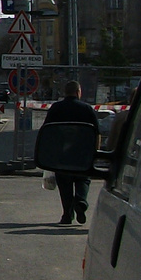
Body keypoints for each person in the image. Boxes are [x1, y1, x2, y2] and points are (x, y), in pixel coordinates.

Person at [43, 80, 100, 226]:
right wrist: (95, 152)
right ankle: (80, 201)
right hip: (82, 153)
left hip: (62, 154)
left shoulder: (56, 108)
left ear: (65, 92)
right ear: (78, 92)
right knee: (83, 179)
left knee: (64, 183)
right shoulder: (87, 109)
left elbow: (47, 130)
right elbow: (96, 133)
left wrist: (48, 151)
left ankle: (67, 216)